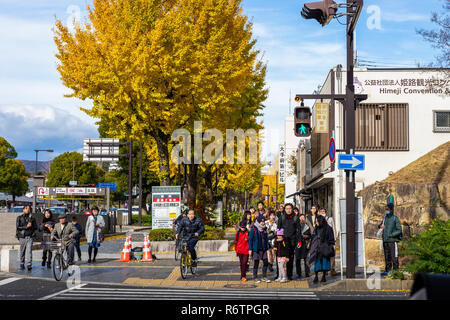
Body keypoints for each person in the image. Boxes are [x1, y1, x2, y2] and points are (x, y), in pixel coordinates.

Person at [309, 215, 335, 283]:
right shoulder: (316, 228)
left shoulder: (328, 228)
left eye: (317, 221)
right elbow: (313, 237)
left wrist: (329, 245)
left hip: (325, 248)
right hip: (317, 249)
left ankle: (323, 276)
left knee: (325, 263)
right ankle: (316, 276)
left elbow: (331, 239)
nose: (316, 223)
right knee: (317, 263)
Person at [378, 202, 402, 276]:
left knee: (394, 257)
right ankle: (387, 270)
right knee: (387, 257)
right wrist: (380, 226)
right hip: (385, 241)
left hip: (392, 241)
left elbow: (399, 230)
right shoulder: (385, 218)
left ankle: (395, 271)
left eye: (387, 209)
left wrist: (392, 235)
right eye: (386, 209)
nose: (386, 211)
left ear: (391, 209)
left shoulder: (395, 218)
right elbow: (379, 225)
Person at [276, 203, 299, 280]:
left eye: (290, 208)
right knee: (280, 259)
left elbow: (298, 230)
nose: (288, 210)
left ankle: (289, 275)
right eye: (287, 209)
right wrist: (279, 239)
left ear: (292, 209)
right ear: (284, 209)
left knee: (290, 259)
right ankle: (279, 275)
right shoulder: (282, 218)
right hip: (282, 242)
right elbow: (278, 229)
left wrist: (298, 241)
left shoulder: (295, 218)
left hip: (292, 241)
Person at [248, 215, 271, 283]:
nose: (262, 223)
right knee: (256, 263)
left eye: (263, 222)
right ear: (258, 221)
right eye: (261, 222)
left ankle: (264, 276)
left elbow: (266, 239)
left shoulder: (264, 229)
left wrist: (268, 247)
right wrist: (250, 249)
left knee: (266, 262)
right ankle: (255, 277)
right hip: (256, 249)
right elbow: (250, 239)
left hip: (264, 248)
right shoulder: (254, 229)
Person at [16, 205, 37, 271]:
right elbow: (18, 227)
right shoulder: (19, 217)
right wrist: (26, 226)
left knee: (29, 251)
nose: (27, 210)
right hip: (22, 237)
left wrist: (32, 227)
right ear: (23, 210)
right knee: (22, 251)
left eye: (28, 208)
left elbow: (36, 227)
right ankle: (22, 263)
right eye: (26, 208)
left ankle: (29, 264)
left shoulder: (32, 218)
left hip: (30, 237)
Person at [318, 208, 337, 276]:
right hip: (323, 241)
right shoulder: (318, 219)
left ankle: (332, 269)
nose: (322, 212)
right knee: (324, 255)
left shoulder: (330, 219)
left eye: (324, 211)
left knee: (332, 255)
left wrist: (334, 239)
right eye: (321, 211)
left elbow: (334, 228)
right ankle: (325, 270)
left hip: (330, 240)